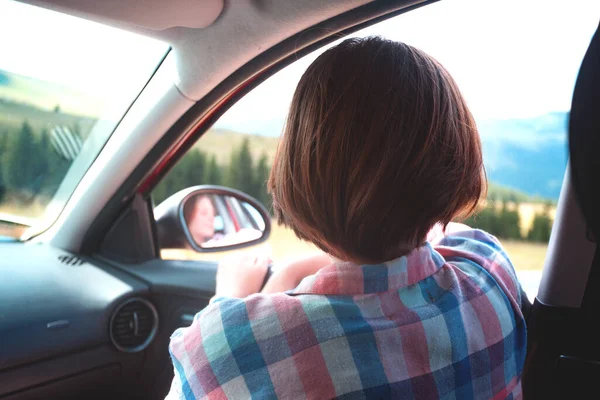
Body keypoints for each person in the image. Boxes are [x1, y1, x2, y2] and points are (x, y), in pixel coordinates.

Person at [167, 37, 526, 399]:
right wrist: (292, 273)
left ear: (300, 167)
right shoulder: (488, 273)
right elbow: (446, 236)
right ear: (455, 165)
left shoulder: (227, 348)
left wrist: (230, 296)